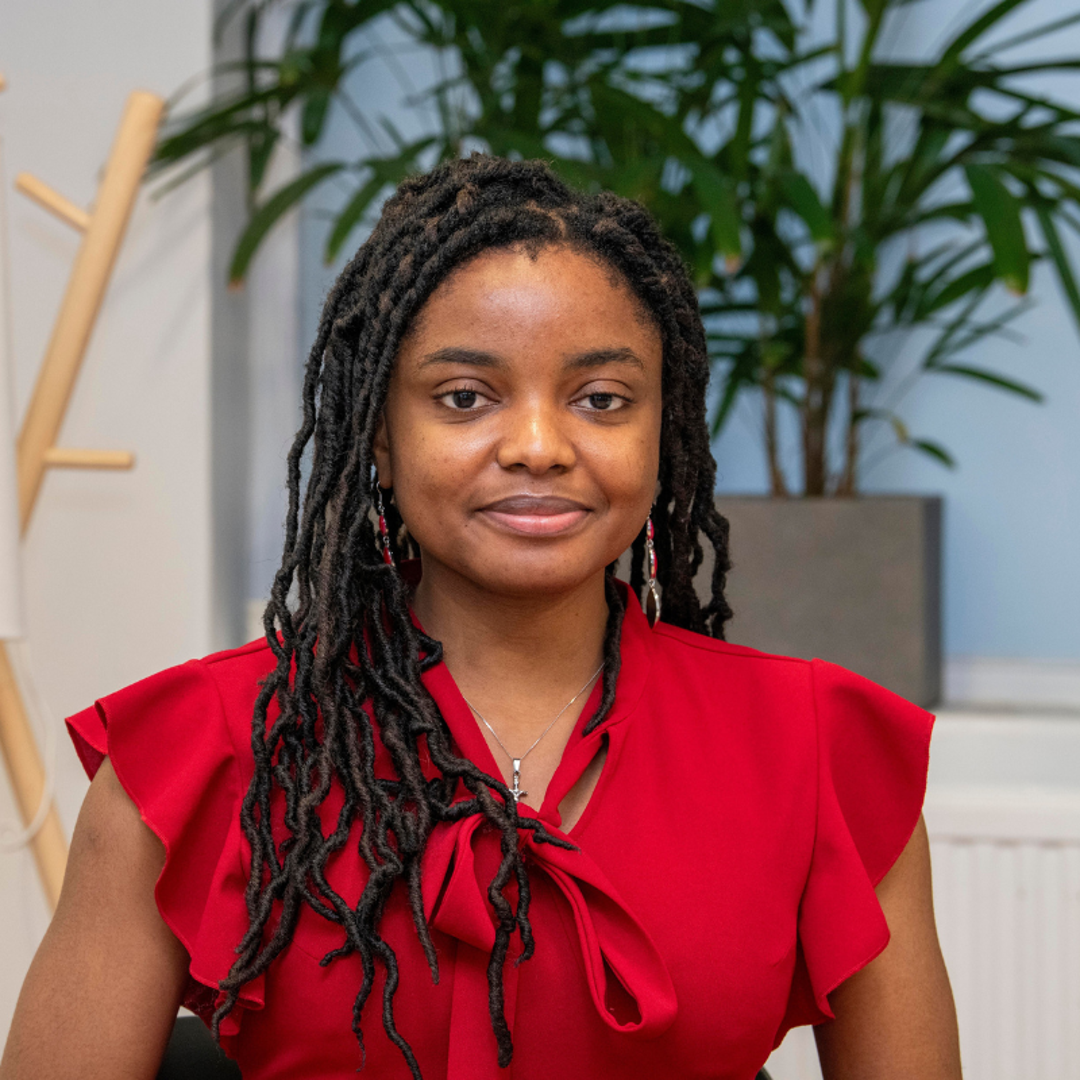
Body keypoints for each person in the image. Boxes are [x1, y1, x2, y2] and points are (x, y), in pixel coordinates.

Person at [0, 155, 961, 1080]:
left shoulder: (823, 755)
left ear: (662, 432)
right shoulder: (192, 756)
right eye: (464, 398)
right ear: (379, 436)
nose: (539, 446)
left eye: (602, 399)